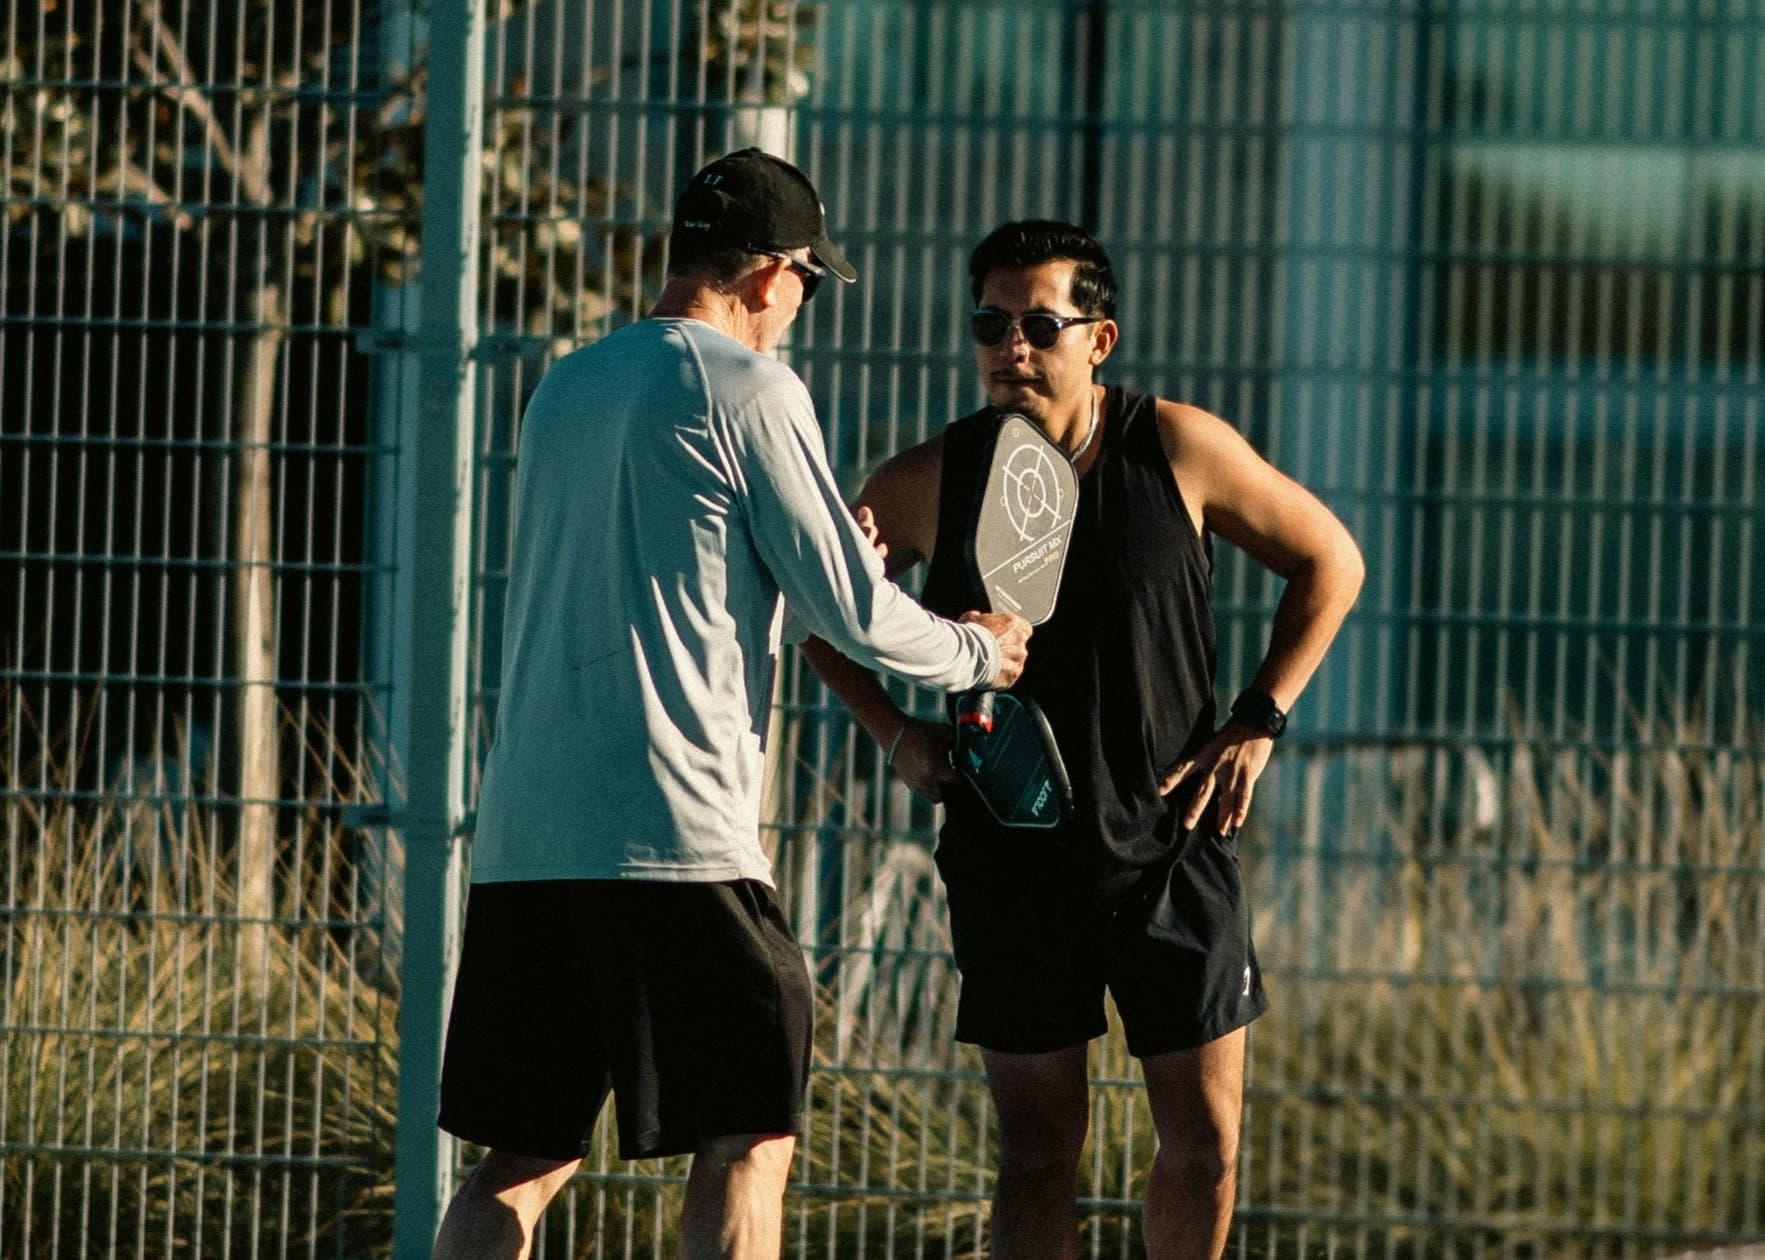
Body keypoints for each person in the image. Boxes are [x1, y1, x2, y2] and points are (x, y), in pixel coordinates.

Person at [429, 150, 1032, 1260]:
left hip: (528, 838)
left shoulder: (568, 385)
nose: (801, 304)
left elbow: (676, 575)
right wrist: (973, 653)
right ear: (767, 276)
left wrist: (797, 572)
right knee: (751, 1129)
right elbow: (851, 610)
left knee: (521, 1156)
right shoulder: (751, 387)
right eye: (807, 279)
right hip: (678, 842)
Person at [799, 220, 1364, 1260]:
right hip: (1009, 856)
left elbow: (1331, 560)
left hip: (1170, 845)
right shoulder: (935, 477)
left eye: (1038, 325)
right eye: (989, 324)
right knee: (1036, 1153)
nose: (1010, 346)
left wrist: (1258, 719)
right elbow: (816, 610)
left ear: (1097, 339)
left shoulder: (1176, 447)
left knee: (1203, 1147)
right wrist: (897, 734)